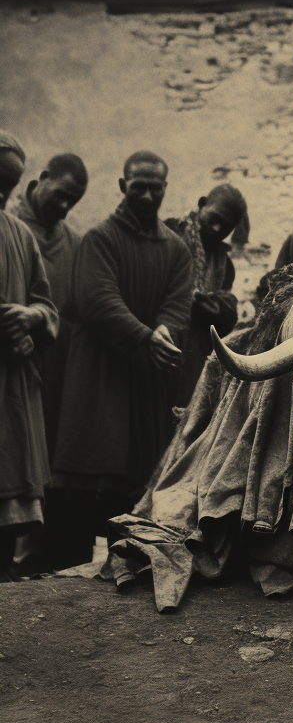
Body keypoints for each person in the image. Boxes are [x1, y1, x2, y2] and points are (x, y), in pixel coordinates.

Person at [50, 151, 193, 567]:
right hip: (99, 376)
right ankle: (66, 567)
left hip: (146, 378)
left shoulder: (177, 249)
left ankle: (127, 565)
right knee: (88, 475)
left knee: (138, 479)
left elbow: (178, 303)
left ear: (165, 188)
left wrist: (166, 330)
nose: (147, 195)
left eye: (155, 187)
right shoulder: (99, 238)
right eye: (138, 186)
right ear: (122, 186)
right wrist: (147, 336)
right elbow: (96, 300)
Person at [0, 133, 59, 577]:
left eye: (8, 185)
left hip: (12, 397)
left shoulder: (19, 235)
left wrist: (30, 318)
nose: (1, 193)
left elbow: (47, 305)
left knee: (6, 522)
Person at [10, 153, 88, 457]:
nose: (66, 207)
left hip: (58, 369)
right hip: (15, 359)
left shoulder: (74, 242)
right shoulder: (10, 228)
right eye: (61, 195)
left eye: (74, 201)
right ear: (42, 178)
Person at [166, 183, 249, 410]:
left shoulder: (225, 264)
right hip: (161, 348)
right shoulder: (167, 235)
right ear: (202, 204)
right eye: (214, 217)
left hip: (196, 358)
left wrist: (216, 307)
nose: (216, 228)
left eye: (226, 226)